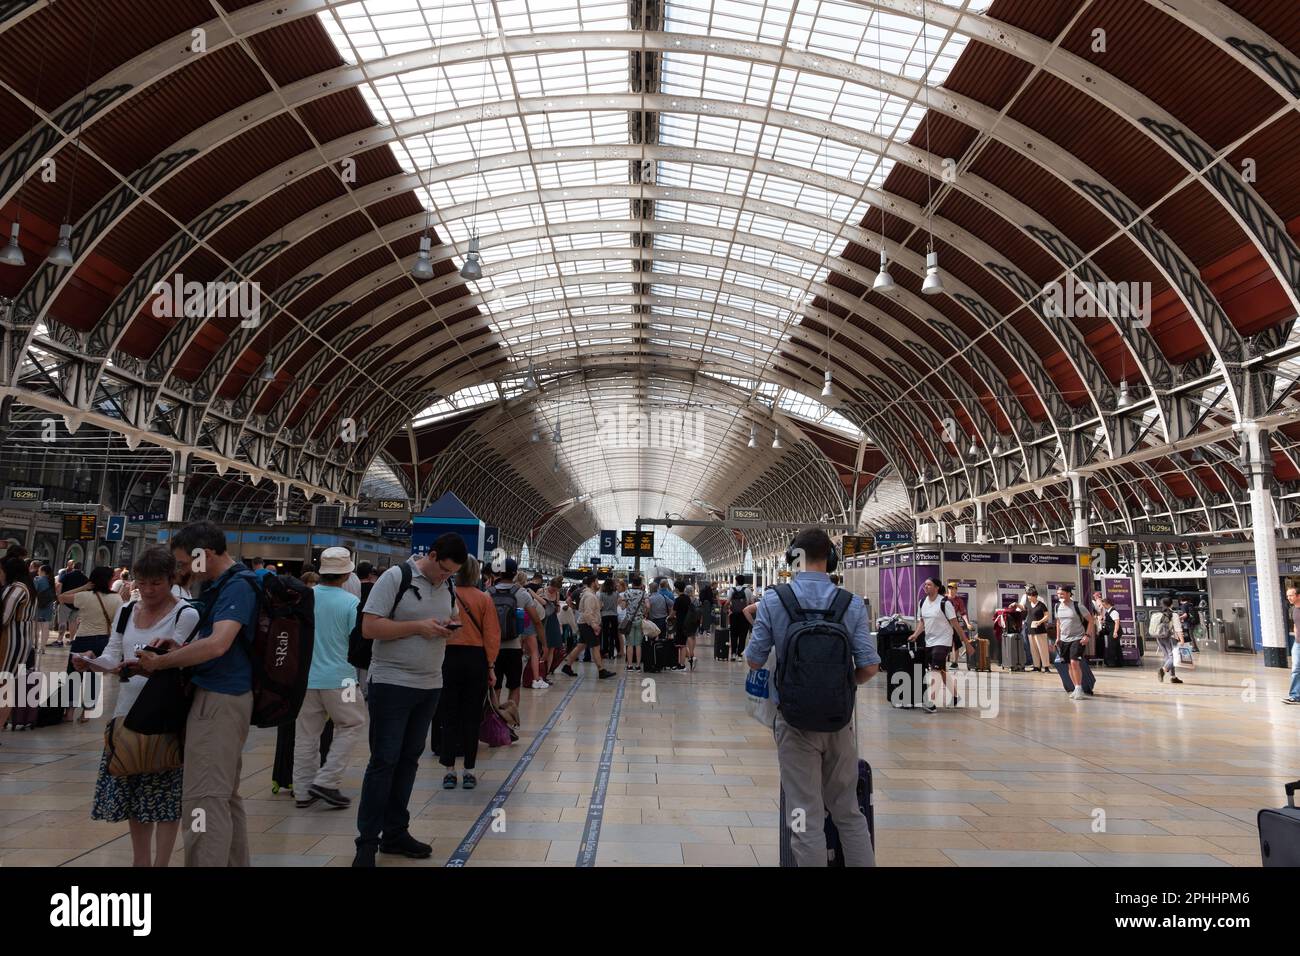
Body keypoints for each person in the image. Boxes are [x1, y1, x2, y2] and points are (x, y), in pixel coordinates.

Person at [746, 528, 878, 867]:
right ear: (831, 559)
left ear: (793, 559)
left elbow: (754, 660)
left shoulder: (774, 600)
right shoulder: (850, 603)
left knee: (805, 815)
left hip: (793, 722)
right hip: (839, 722)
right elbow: (870, 666)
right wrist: (840, 688)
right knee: (849, 813)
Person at [136, 522, 259, 866]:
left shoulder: (237, 587)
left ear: (203, 555)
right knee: (223, 797)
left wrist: (163, 664)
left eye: (183, 563)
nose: (181, 570)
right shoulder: (221, 586)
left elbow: (219, 645)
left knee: (203, 800)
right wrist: (179, 647)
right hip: (223, 697)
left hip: (220, 699)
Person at [75, 547, 197, 867]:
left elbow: (179, 661)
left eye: (156, 583)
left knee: (165, 798)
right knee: (134, 793)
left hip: (166, 715)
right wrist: (92, 662)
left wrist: (151, 665)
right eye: (142, 583)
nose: (148, 590)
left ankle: (162, 863)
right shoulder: (126, 611)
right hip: (127, 715)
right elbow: (113, 654)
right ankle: (140, 862)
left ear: (171, 580)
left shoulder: (186, 614)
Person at [351, 534, 465, 866]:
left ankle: (396, 832)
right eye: (443, 570)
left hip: (430, 685)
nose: (445, 577)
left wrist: (446, 627)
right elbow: (370, 627)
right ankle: (367, 843)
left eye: (451, 574)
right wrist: (418, 627)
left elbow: (447, 616)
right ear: (431, 555)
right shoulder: (396, 577)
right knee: (383, 761)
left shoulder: (448, 585)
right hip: (391, 682)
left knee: (408, 761)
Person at [293, 547, 367, 810]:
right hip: (341, 679)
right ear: (347, 574)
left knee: (306, 735)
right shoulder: (351, 603)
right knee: (352, 724)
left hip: (305, 679)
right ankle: (327, 780)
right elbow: (356, 642)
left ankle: (302, 791)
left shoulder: (305, 599)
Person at [438, 557, 500, 791]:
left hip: (448, 658)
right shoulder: (484, 599)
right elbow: (491, 634)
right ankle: (470, 771)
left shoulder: (446, 596)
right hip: (476, 660)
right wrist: (491, 666)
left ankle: (448, 771)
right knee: (472, 716)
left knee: (448, 715)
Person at [58, 566, 123, 723]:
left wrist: (84, 587)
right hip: (102, 640)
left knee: (74, 675)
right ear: (108, 581)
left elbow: (61, 596)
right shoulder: (117, 599)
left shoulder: (84, 596)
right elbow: (118, 622)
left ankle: (69, 713)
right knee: (94, 675)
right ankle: (86, 712)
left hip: (82, 639)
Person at [908, 577, 971, 713]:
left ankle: (930, 701)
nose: (926, 587)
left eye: (929, 585)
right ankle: (955, 697)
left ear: (937, 587)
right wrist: (916, 634)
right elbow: (922, 623)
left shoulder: (945, 603)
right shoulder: (922, 602)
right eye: (925, 585)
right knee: (941, 670)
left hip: (943, 641)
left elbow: (955, 624)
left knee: (935, 670)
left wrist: (966, 643)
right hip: (929, 641)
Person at [488, 558, 541, 709]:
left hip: (493, 648)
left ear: (499, 572)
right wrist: (543, 642)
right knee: (514, 687)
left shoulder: (488, 593)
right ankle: (510, 723)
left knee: (495, 687)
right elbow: (536, 620)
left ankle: (494, 723)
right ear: (515, 573)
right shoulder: (522, 594)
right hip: (513, 647)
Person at [0, 556, 36, 739]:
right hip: (22, 640)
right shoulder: (28, 587)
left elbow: (4, 617)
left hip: (10, 641)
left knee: (4, 685)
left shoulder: (16, 589)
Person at [559, 575, 616, 679]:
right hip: (587, 624)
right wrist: (594, 625)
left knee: (580, 646)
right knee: (596, 647)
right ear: (593, 583)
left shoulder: (590, 594)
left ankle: (567, 666)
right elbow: (587, 613)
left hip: (585, 623)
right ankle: (601, 670)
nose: (598, 583)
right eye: (597, 581)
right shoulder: (589, 596)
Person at [1054, 584, 1094, 700]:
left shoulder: (1078, 606)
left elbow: (1091, 621)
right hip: (1064, 639)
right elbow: (1058, 622)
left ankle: (1079, 688)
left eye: (1062, 594)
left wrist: (1087, 635)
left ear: (1068, 594)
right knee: (1068, 664)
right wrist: (1058, 637)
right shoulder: (1057, 606)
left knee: (1074, 662)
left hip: (1077, 638)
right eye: (1058, 594)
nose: (1059, 596)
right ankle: (1076, 687)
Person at [53, 560, 88, 647]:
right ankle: (72, 639)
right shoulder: (85, 578)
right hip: (77, 603)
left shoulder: (66, 575)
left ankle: (60, 640)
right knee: (73, 622)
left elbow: (59, 585)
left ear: (73, 567)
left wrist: (59, 597)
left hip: (65, 601)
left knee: (63, 621)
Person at [1150, 596, 1182, 685]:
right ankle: (1163, 670)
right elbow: (1178, 628)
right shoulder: (1173, 614)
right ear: (1171, 604)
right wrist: (1182, 640)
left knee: (1167, 657)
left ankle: (1173, 677)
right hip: (1170, 638)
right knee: (1174, 657)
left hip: (1159, 637)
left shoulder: (1158, 614)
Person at [945, 582, 978, 669]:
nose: (951, 590)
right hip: (943, 624)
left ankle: (955, 663)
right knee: (942, 642)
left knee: (955, 642)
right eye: (949, 588)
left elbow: (963, 613)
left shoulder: (959, 601)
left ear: (956, 590)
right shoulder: (943, 598)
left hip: (953, 623)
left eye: (953, 588)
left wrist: (967, 623)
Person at [1022, 586, 1052, 672]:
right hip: (1031, 630)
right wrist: (1016, 605)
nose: (1028, 597)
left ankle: (1046, 666)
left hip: (1040, 630)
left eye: (1030, 595)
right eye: (1028, 595)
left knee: (1042, 648)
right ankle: (1037, 666)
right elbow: (1023, 608)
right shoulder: (1028, 604)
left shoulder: (1041, 605)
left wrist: (1040, 622)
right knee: (1033, 649)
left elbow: (1047, 615)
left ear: (1035, 596)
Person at [620, 573, 647, 672]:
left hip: (629, 621)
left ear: (632, 583)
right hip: (639, 621)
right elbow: (648, 606)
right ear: (640, 584)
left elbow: (623, 607)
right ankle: (638, 666)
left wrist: (626, 603)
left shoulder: (627, 593)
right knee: (638, 644)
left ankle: (630, 665)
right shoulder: (644, 593)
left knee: (630, 644)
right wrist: (645, 612)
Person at [543, 576, 565, 677]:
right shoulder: (542, 591)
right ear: (550, 585)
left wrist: (557, 607)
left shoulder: (557, 594)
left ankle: (547, 671)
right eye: (553, 589)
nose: (553, 591)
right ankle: (540, 669)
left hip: (552, 621)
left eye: (556, 590)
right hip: (543, 621)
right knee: (543, 647)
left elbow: (558, 610)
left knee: (551, 647)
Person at [670, 579, 694, 670]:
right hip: (687, 623)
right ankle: (681, 663)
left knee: (680, 645)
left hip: (680, 623)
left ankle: (681, 664)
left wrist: (669, 617)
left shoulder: (678, 600)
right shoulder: (687, 598)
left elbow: (673, 613)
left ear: (676, 589)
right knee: (683, 644)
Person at [728, 575, 753, 660]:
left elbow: (728, 602)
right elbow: (751, 603)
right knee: (743, 635)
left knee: (734, 634)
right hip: (744, 615)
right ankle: (740, 655)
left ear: (737, 581)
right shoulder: (748, 590)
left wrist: (727, 609)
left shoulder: (732, 590)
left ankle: (733, 654)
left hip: (734, 615)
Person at [32, 564, 55, 656]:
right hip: (48, 607)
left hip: (38, 606)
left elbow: (33, 592)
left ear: (43, 571)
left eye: (39, 570)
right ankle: (43, 648)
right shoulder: (52, 581)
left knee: (36, 629)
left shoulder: (38, 580)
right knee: (45, 628)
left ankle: (35, 646)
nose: (38, 572)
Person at [1284, 587, 1300, 705]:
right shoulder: (1294, 609)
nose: (1289, 598)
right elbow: (1295, 624)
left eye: (1291, 595)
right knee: (1296, 669)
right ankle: (1295, 696)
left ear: (1298, 595)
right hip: (1298, 644)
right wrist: (1296, 637)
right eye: (1288, 595)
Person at [598, 578, 620, 662]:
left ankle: (605, 652)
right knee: (613, 635)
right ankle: (611, 653)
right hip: (614, 615)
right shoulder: (616, 594)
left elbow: (600, 606)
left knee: (605, 634)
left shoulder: (602, 594)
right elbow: (618, 603)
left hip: (605, 616)